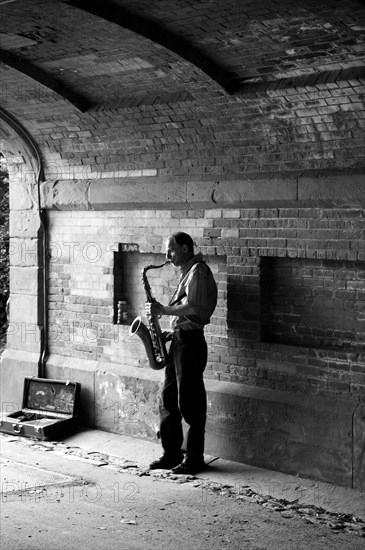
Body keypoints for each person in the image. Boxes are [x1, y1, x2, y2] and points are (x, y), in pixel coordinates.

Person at [145, 232, 217, 475]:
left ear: (186, 248)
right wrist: (170, 331)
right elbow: (185, 313)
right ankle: (171, 453)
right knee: (168, 399)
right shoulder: (187, 272)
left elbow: (195, 308)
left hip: (191, 343)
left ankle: (194, 457)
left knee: (190, 402)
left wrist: (163, 310)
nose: (167, 256)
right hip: (180, 340)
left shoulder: (198, 271)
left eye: (172, 251)